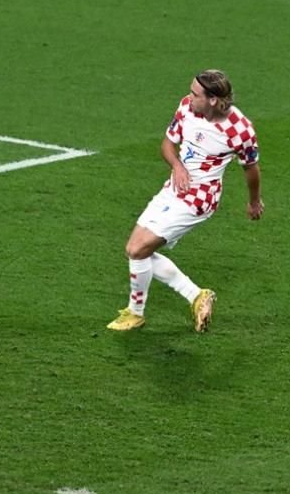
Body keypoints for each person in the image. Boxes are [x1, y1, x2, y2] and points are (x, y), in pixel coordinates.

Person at [107, 69, 264, 332]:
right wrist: (177, 166)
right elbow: (167, 145)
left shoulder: (240, 130)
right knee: (135, 249)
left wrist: (254, 202)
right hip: (173, 189)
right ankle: (195, 297)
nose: (189, 97)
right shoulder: (186, 108)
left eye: (195, 93)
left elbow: (251, 169)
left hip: (199, 199)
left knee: (137, 249)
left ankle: (136, 313)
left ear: (213, 99)